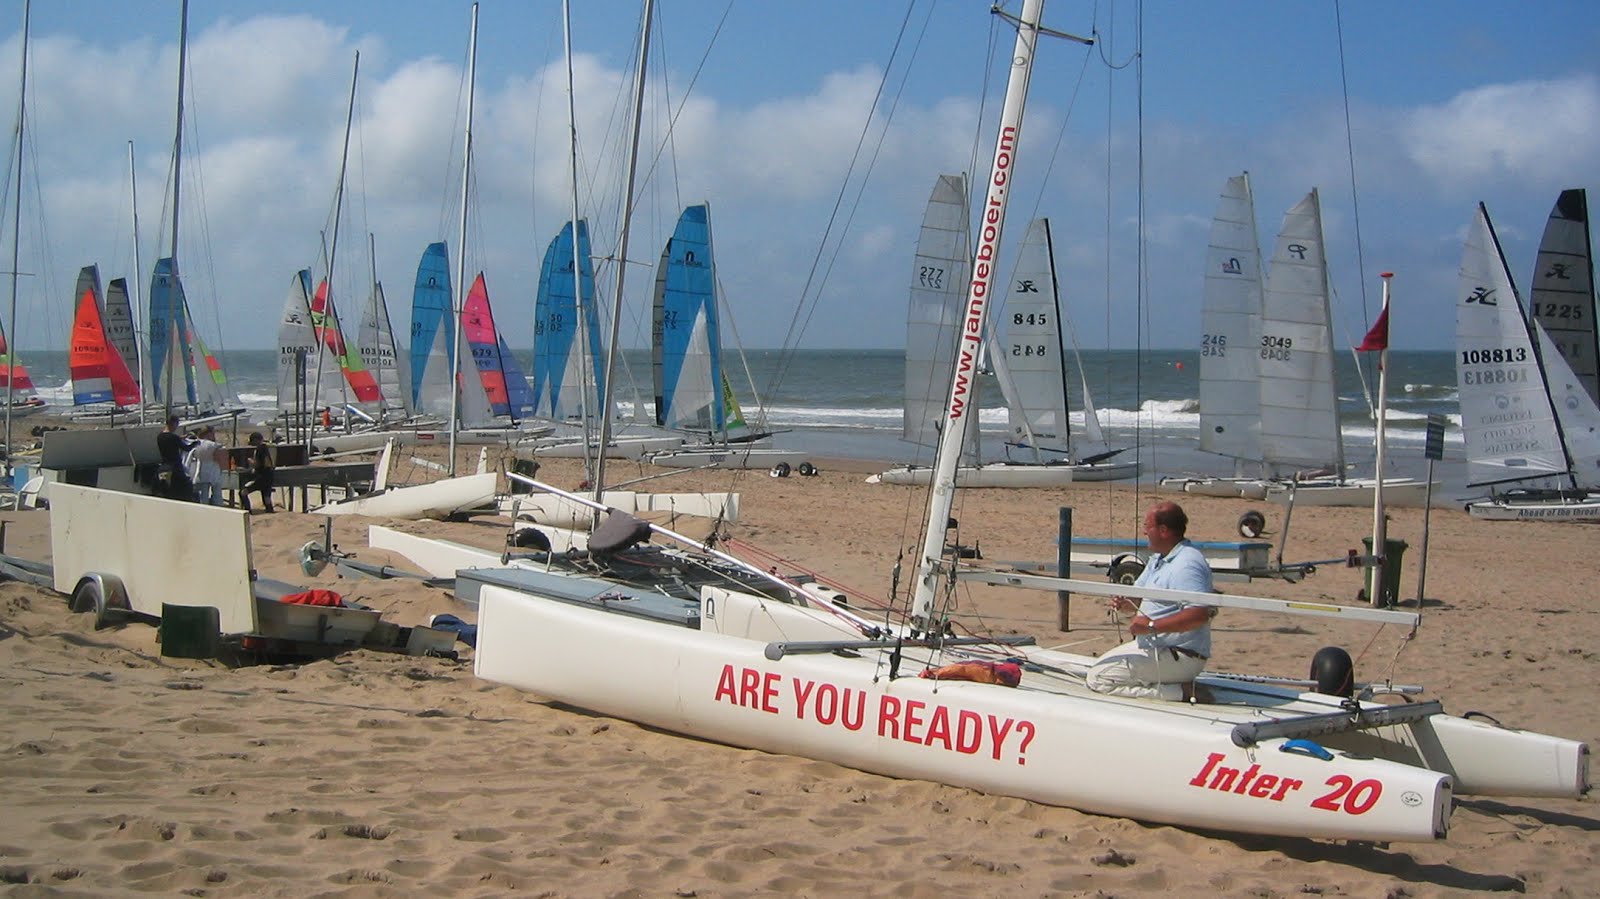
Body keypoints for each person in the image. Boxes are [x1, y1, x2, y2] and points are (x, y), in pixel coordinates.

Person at [1086, 501, 1216, 702]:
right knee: (1097, 666)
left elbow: (1198, 614)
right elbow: (1138, 598)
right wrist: (1125, 603)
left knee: (1099, 679)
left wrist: (1151, 626)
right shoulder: (1158, 559)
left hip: (1179, 655)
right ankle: (1172, 684)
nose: (1144, 532)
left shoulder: (1187, 564)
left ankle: (1181, 693)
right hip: (1153, 646)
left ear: (1163, 530)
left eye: (1148, 526)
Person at [154, 415, 195, 501]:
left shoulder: (160, 436)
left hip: (164, 466)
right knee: (185, 488)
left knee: (166, 491)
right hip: (175, 468)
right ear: (173, 424)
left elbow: (170, 439)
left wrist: (180, 438)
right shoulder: (174, 438)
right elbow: (187, 448)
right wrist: (196, 443)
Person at [187, 425, 227, 506]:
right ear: (208, 434)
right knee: (217, 494)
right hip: (213, 469)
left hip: (199, 471)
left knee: (203, 496)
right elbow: (219, 457)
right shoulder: (213, 445)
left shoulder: (195, 444)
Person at [239, 432, 275, 513]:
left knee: (243, 492)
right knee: (266, 496)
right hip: (269, 475)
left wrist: (250, 461)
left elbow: (258, 464)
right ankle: (270, 511)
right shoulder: (266, 448)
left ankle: (248, 511)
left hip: (261, 476)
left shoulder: (260, 449)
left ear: (256, 440)